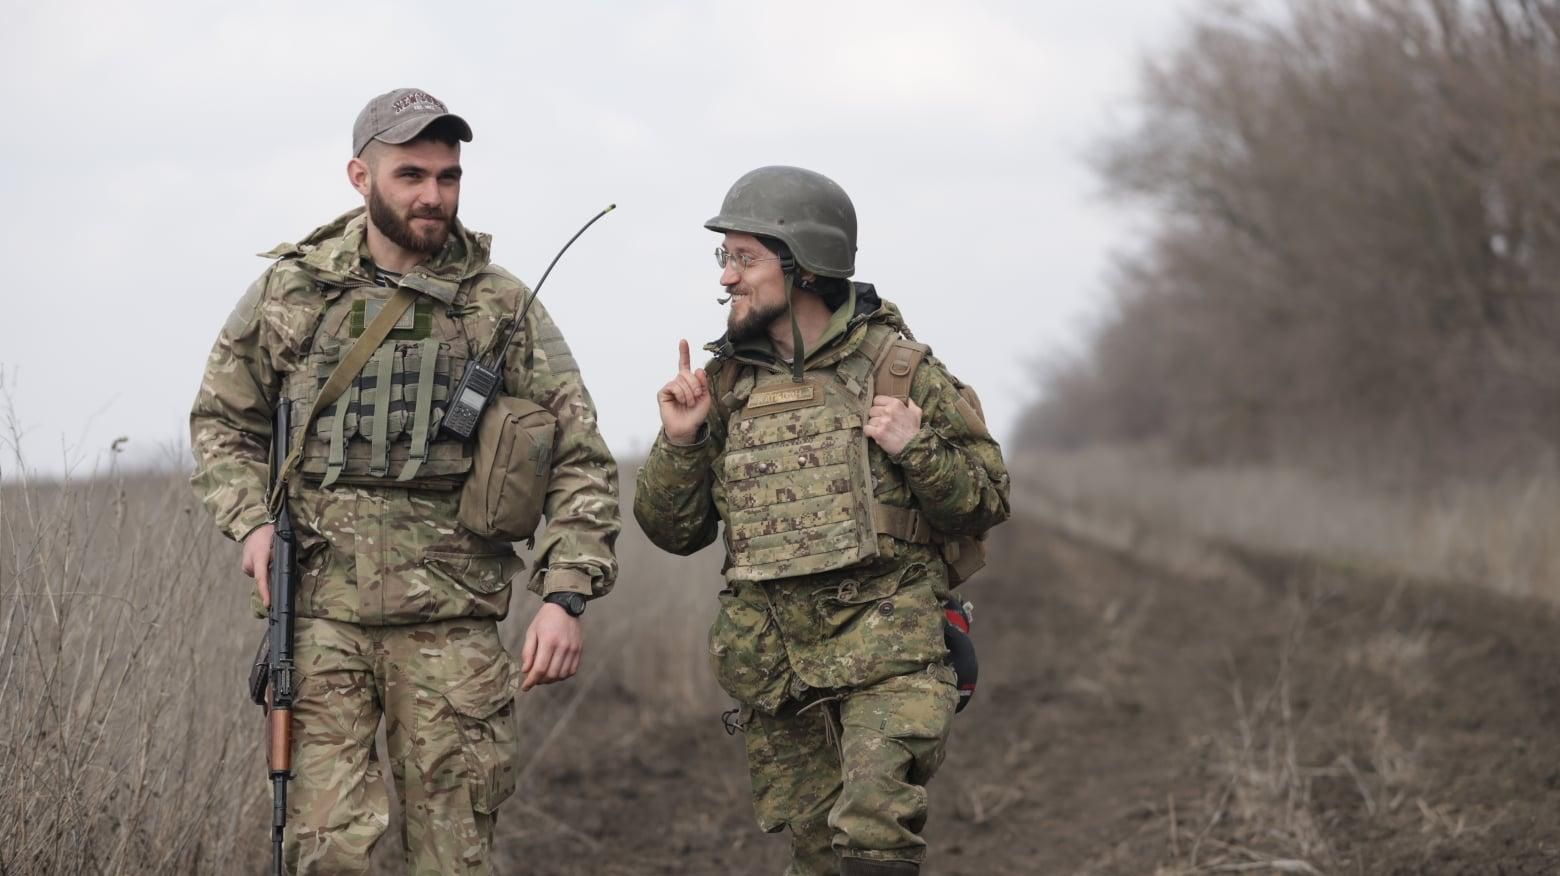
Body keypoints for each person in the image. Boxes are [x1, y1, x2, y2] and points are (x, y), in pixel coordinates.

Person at [189, 87, 619, 874]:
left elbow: (579, 456)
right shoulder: (293, 294)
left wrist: (565, 595)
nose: (433, 196)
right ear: (360, 176)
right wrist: (251, 522)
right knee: (325, 854)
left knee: (454, 858)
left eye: (448, 177)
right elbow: (222, 420)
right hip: (320, 620)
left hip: (452, 627)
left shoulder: (500, 306)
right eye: (411, 175)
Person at [632, 166, 1010, 876]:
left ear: (803, 267)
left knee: (872, 835)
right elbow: (672, 532)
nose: (727, 280)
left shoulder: (902, 371)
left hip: (890, 656)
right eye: (725, 259)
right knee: (818, 857)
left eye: (744, 259)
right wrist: (681, 441)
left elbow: (987, 499)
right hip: (780, 672)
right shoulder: (724, 386)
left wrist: (916, 447)